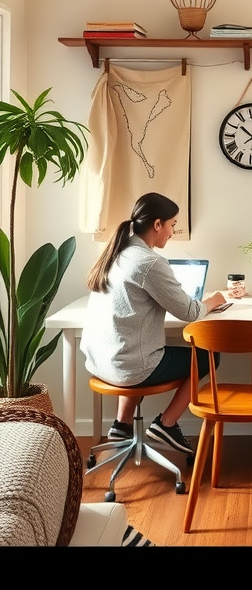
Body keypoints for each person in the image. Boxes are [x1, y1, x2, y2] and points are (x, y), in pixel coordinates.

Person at [80, 192, 226, 454]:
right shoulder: (149, 262)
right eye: (172, 225)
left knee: (136, 352)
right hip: (128, 368)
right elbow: (191, 312)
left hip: (100, 361)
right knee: (209, 357)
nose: (172, 232)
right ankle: (166, 424)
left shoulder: (118, 252)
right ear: (157, 224)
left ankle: (121, 425)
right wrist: (214, 299)